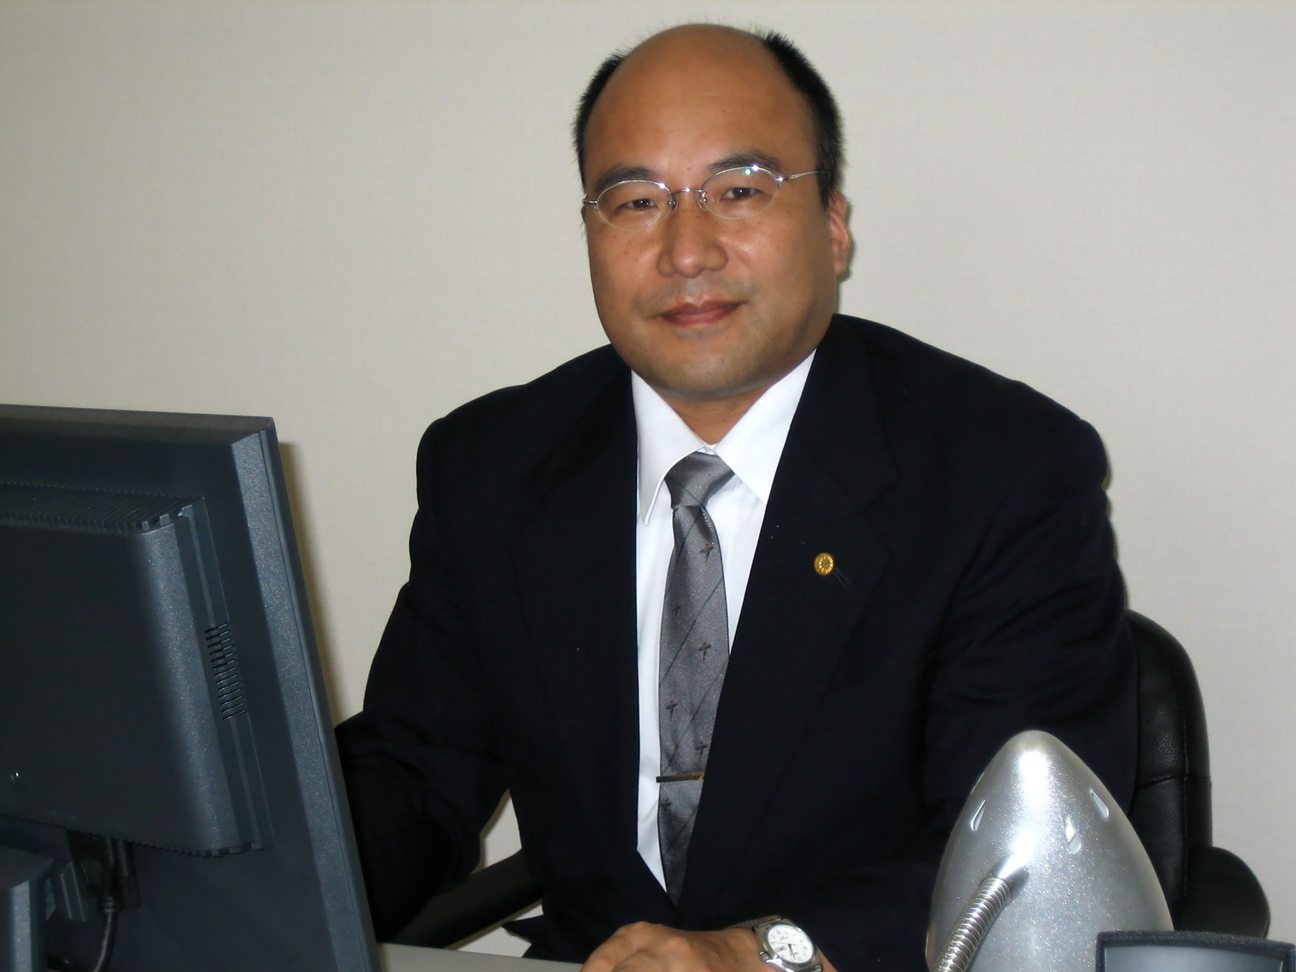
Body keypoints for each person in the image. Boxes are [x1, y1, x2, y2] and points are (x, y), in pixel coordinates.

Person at [336, 23, 1136, 972]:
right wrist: (244, 867)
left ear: (833, 223)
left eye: (740, 190)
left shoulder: (1003, 474)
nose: (686, 251)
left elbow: (1013, 861)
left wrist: (760, 954)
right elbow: (416, 770)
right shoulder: (493, 468)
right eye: (636, 201)